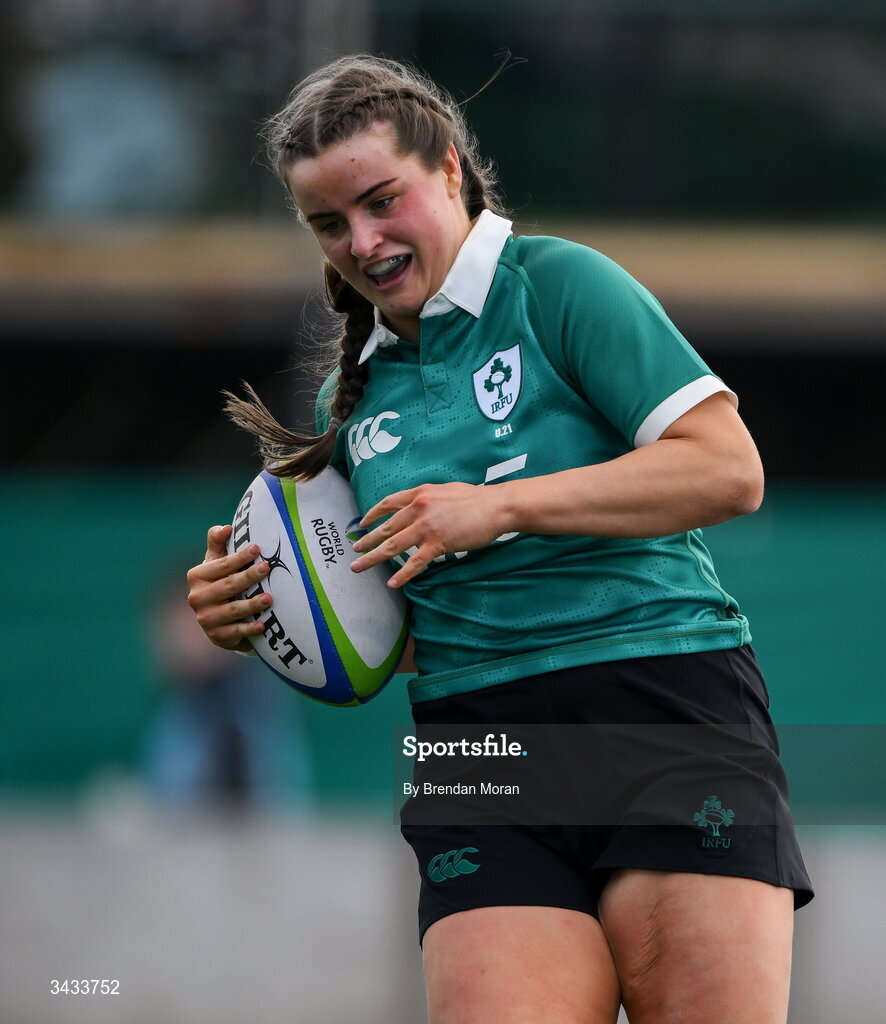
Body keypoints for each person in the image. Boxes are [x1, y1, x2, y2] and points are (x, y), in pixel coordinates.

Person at [186, 55, 813, 1024]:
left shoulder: (559, 284)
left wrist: (501, 505)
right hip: (473, 744)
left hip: (657, 703)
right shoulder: (347, 399)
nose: (362, 239)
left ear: (446, 167)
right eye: (328, 222)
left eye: (381, 199)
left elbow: (727, 470)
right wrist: (262, 615)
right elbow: (391, 629)